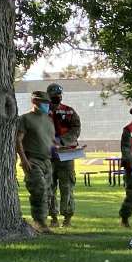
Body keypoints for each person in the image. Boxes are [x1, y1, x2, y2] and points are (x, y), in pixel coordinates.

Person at [15, 91, 56, 233]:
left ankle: (44, 221)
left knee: (49, 193)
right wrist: (24, 160)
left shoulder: (48, 120)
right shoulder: (25, 119)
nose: (47, 105)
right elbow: (18, 140)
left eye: (48, 103)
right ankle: (39, 222)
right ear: (35, 102)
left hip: (47, 161)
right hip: (33, 160)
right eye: (44, 103)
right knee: (39, 190)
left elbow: (50, 141)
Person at [46, 83, 81, 228]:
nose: (57, 97)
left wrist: (63, 140)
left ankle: (67, 217)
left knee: (67, 187)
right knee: (49, 186)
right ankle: (53, 217)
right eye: (54, 95)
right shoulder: (42, 112)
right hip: (47, 154)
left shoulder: (69, 111)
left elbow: (76, 128)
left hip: (66, 153)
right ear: (49, 96)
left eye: (59, 95)